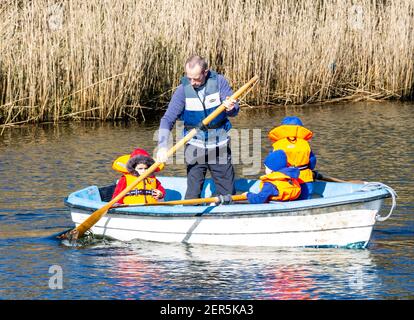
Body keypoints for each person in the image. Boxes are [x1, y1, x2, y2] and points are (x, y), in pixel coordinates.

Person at [156, 55, 239, 199]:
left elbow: (234, 111)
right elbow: (167, 119)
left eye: (196, 78)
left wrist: (230, 108)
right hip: (195, 145)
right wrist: (162, 145)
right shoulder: (182, 90)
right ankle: (192, 212)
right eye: (189, 78)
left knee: (227, 192)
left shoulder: (219, 82)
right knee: (193, 191)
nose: (192, 83)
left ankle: (224, 212)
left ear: (205, 72)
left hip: (219, 145)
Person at [268, 116, 316, 200]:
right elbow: (312, 162)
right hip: (304, 179)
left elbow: (271, 163)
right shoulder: (305, 144)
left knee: (288, 198)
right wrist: (311, 170)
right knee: (306, 199)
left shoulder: (278, 144)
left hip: (286, 180)